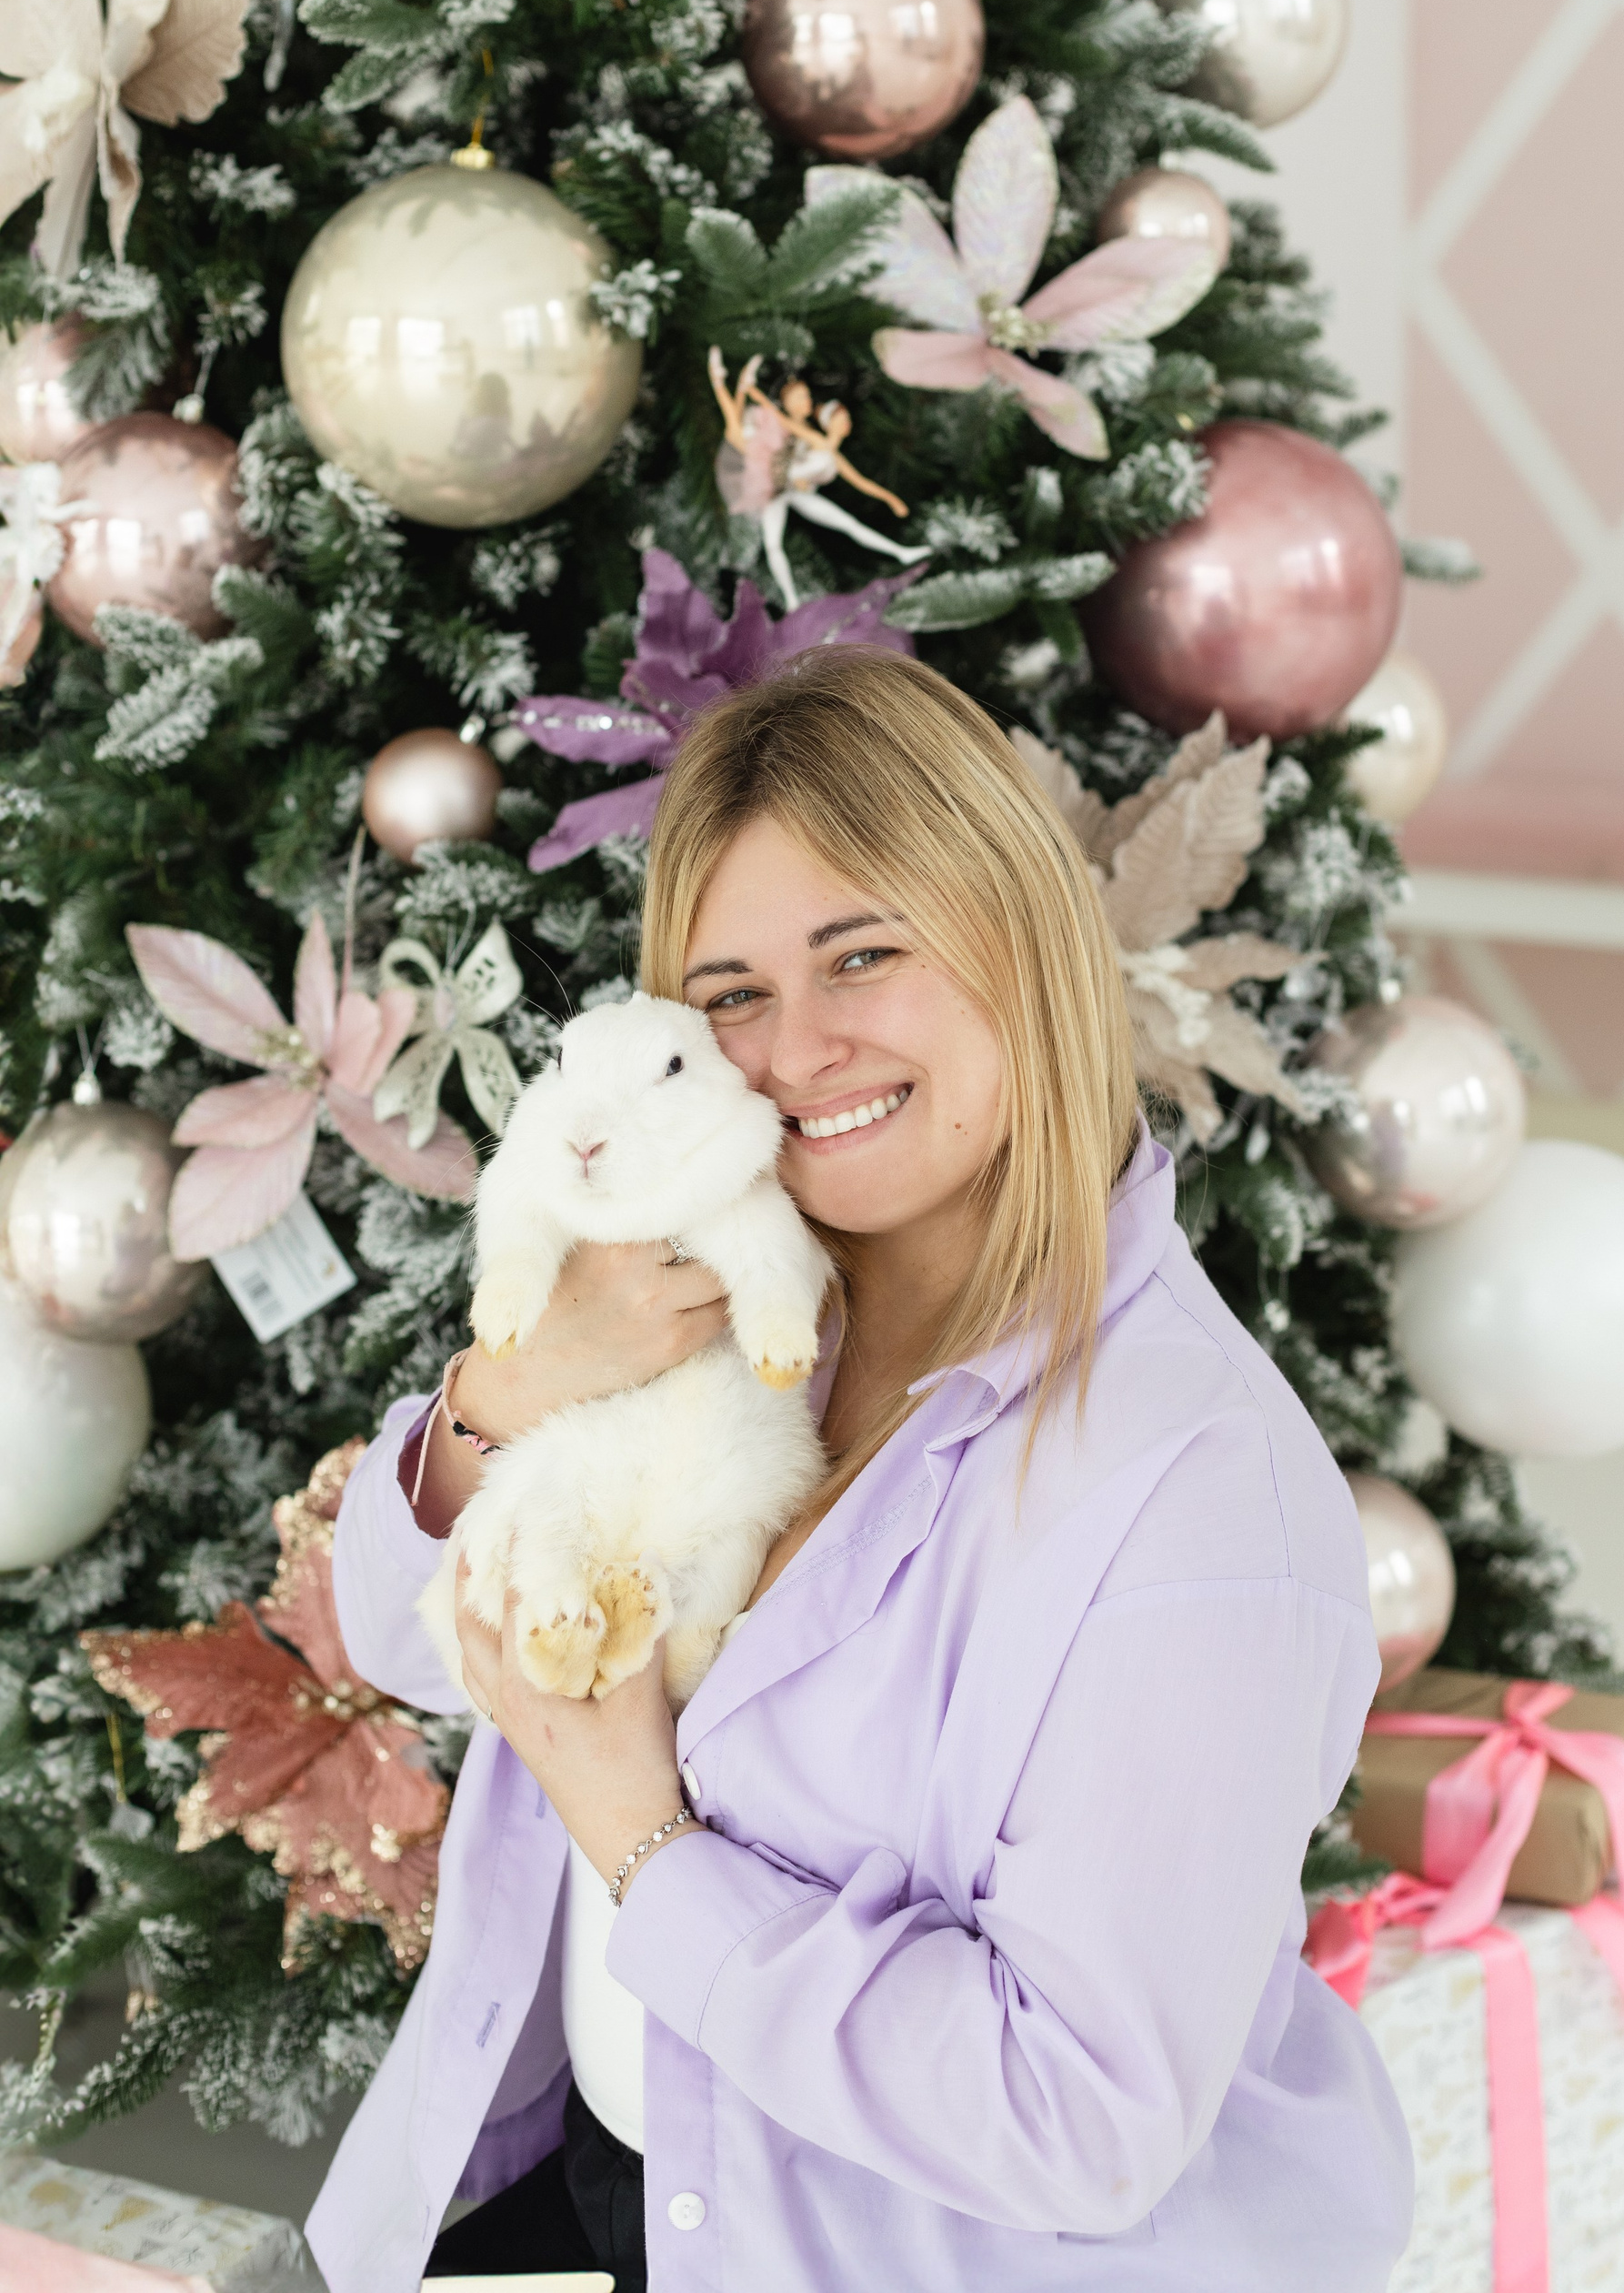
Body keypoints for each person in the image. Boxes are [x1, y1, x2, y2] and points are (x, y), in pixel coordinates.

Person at [304, 649, 1413, 2293]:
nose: (798, 1048)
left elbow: (1075, 2120)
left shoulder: (1192, 1497)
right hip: (646, 2197)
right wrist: (517, 1385)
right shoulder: (704, 1305)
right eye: (732, 996)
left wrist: (636, 1832)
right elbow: (398, 1643)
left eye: (863, 957)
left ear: (1018, 948)